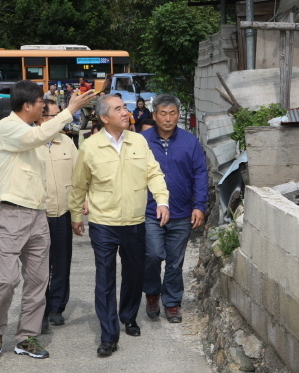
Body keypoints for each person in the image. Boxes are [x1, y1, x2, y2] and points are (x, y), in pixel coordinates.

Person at [0, 80, 95, 359]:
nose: (43, 109)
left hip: (38, 214)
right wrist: (69, 110)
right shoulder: (8, 127)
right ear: (27, 106)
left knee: (37, 280)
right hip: (9, 212)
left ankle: (27, 337)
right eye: (40, 105)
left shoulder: (36, 132)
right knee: (7, 280)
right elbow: (36, 137)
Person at [68, 94, 170, 357]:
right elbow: (79, 184)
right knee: (105, 279)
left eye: (125, 107)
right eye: (118, 109)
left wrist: (162, 201)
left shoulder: (138, 141)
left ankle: (128, 316)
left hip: (135, 221)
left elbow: (153, 173)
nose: (125, 112)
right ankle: (108, 335)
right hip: (103, 223)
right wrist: (76, 215)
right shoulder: (89, 147)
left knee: (134, 274)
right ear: (104, 118)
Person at [141, 94, 208, 323]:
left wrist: (199, 206)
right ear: (154, 115)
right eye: (163, 113)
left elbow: (200, 174)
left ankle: (172, 302)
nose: (168, 118)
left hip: (181, 212)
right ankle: (151, 293)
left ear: (178, 115)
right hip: (150, 211)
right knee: (152, 255)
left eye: (172, 113)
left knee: (175, 261)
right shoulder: (142, 140)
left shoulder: (190, 142)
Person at [38, 99, 78, 333]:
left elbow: (79, 177)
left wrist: (78, 212)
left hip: (62, 212)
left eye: (51, 116)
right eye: (43, 116)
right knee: (38, 266)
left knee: (61, 262)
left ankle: (56, 308)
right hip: (38, 214)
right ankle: (39, 310)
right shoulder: (31, 143)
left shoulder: (67, 143)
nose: (47, 120)